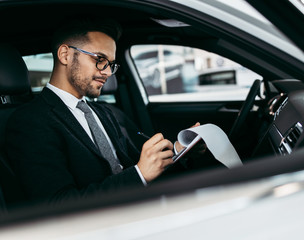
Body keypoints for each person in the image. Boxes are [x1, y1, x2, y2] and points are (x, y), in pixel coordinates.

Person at [5, 17, 196, 205]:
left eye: (111, 64)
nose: (107, 72)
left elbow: (135, 166)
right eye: (100, 59)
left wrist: (179, 151)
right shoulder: (30, 121)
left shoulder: (104, 112)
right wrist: (139, 175)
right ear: (65, 55)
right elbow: (58, 204)